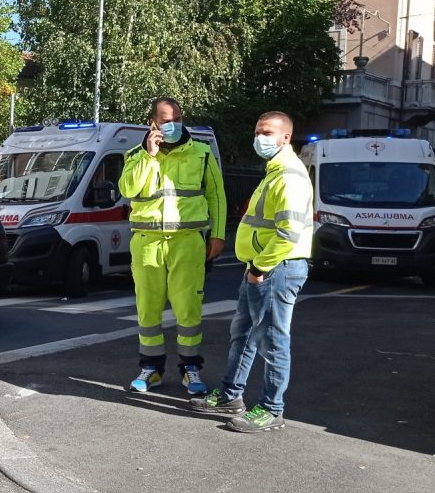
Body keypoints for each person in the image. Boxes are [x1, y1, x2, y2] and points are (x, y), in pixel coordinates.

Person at [190, 111, 314, 433]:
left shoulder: (287, 175)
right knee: (243, 334)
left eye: (268, 132)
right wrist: (254, 268)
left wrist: (259, 267)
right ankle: (231, 395)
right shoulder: (274, 172)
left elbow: (288, 233)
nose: (261, 137)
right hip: (260, 268)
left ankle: (272, 410)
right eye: (258, 130)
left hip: (276, 269)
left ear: (286, 137)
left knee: (272, 340)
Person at [119, 97, 227, 395]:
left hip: (188, 243)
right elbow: (128, 190)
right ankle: (150, 369)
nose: (173, 124)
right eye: (166, 119)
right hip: (147, 243)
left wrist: (217, 235)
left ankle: (190, 369)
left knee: (188, 310)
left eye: (177, 117)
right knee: (148, 310)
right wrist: (149, 156)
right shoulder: (134, 156)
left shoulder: (202, 154)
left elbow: (217, 197)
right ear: (152, 123)